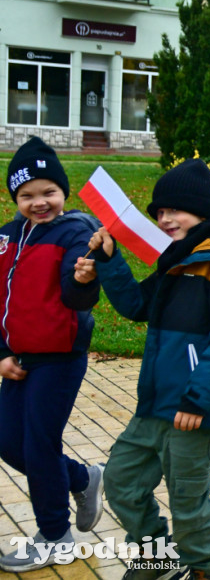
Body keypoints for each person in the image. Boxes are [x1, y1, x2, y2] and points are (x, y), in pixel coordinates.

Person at [77, 158, 210, 580]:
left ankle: (205, 570)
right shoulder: (177, 261)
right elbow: (136, 306)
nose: (164, 219)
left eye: (173, 210)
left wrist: (198, 398)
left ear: (200, 210)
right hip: (155, 406)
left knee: (187, 502)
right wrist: (109, 261)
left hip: (194, 411)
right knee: (123, 484)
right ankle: (158, 560)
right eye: (159, 212)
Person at [0, 137, 105, 573]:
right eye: (27, 195)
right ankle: (82, 478)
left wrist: (83, 278)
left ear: (63, 191)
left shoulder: (77, 231)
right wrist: (1, 352)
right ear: (15, 198)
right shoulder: (6, 236)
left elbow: (77, 298)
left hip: (59, 357)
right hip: (17, 359)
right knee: (9, 442)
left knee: (40, 446)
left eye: (48, 192)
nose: (38, 202)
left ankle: (57, 537)